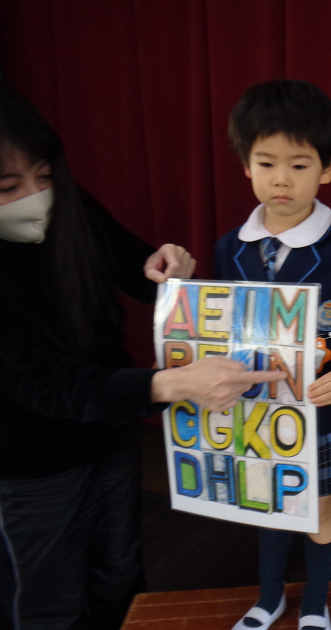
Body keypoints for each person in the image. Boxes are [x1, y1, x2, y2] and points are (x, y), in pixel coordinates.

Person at [0, 85, 286, 630]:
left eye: (45, 176)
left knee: (120, 570)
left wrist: (165, 269)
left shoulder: (71, 205)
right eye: (8, 187)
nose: (36, 197)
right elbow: (46, 382)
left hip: (111, 429)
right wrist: (169, 385)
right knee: (49, 596)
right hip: (31, 456)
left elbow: (132, 262)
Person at [216, 79, 331, 630]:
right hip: (256, 411)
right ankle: (269, 598)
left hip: (318, 409)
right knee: (267, 503)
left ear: (327, 169)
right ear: (246, 164)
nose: (281, 179)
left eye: (299, 164)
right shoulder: (229, 247)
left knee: (317, 509)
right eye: (266, 163)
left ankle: (314, 602)